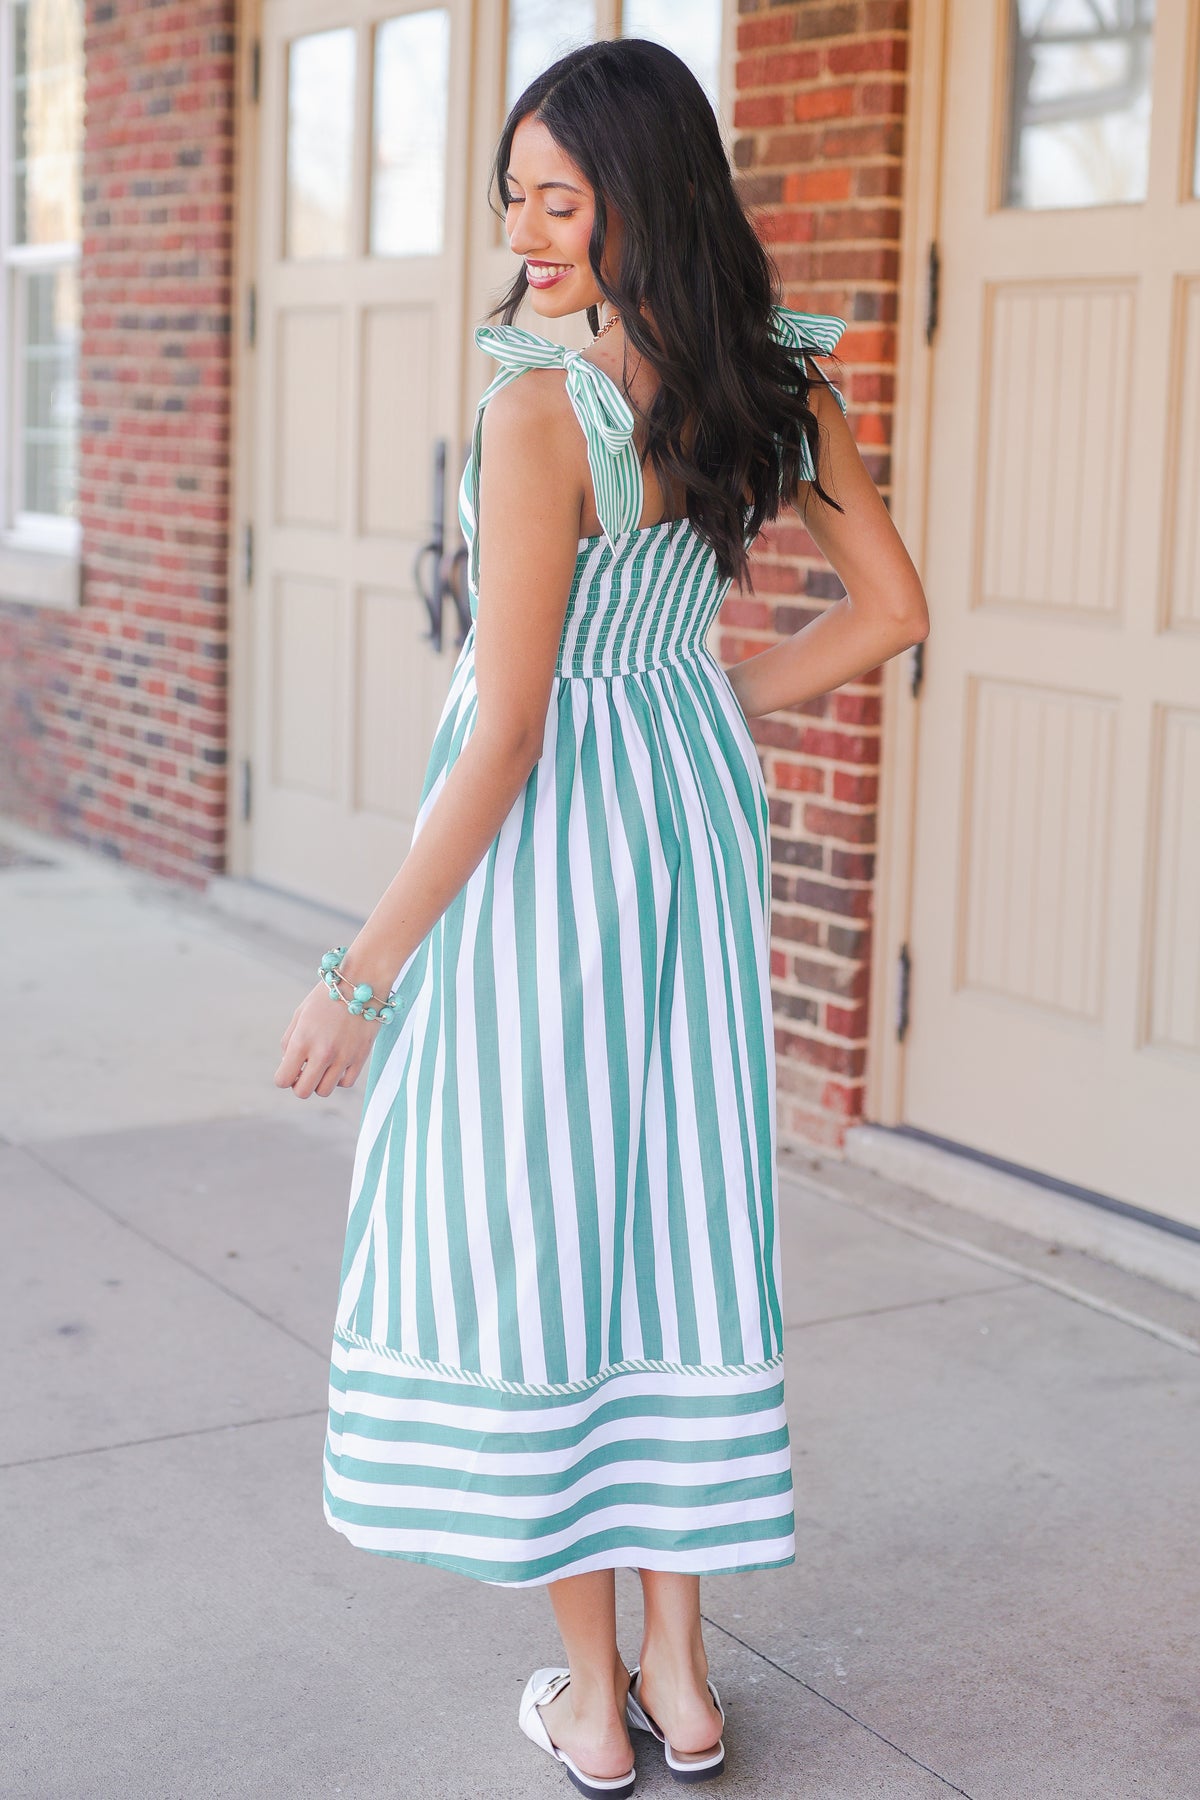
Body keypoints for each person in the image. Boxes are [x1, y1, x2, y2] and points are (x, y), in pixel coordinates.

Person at [275, 37, 928, 1799]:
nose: (529, 230)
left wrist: (363, 968)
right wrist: (711, 703)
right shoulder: (767, 380)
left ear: (651, 194)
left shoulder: (537, 408)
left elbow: (505, 730)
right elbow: (889, 610)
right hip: (693, 837)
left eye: (560, 198)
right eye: (514, 197)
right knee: (680, 1207)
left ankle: (590, 1695)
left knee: (533, 1228)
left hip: (547, 856)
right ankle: (685, 1679)